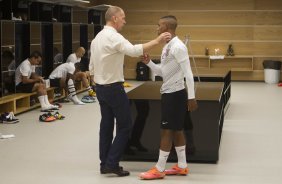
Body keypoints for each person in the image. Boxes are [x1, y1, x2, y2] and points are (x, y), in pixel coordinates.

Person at [89, 6, 171, 177]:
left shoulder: (97, 38)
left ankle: (104, 163)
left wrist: (96, 84)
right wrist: (157, 41)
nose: (125, 21)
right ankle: (112, 163)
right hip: (113, 89)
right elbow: (134, 51)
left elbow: (91, 66)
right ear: (114, 19)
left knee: (106, 126)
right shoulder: (113, 37)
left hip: (101, 89)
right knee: (125, 125)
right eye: (123, 17)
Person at [139, 15, 198, 180]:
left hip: (175, 96)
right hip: (169, 93)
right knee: (177, 130)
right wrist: (149, 62)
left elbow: (188, 73)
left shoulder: (178, 47)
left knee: (166, 131)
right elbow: (162, 72)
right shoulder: (167, 47)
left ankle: (159, 168)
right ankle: (182, 166)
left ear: (166, 27)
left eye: (159, 26)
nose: (157, 29)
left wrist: (191, 97)